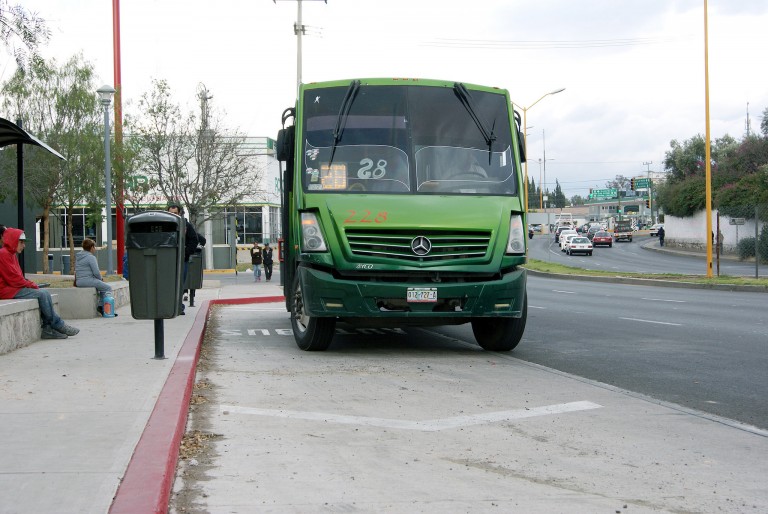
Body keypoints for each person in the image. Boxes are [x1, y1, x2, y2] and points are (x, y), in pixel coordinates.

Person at [0, 228, 79, 339]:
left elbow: (18, 277)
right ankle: (58, 325)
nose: (24, 246)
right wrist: (32, 285)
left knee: (43, 293)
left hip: (12, 288)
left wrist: (30, 284)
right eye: (21, 242)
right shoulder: (3, 254)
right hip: (6, 290)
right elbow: (14, 279)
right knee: (42, 294)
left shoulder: (11, 254)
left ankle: (48, 328)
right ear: (13, 241)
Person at [167, 203, 203, 315]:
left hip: (182, 261)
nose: (173, 215)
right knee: (167, 284)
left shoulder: (186, 226)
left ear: (180, 213)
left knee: (179, 284)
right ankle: (167, 306)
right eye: (170, 213)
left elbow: (194, 240)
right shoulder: (164, 225)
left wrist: (185, 253)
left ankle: (179, 307)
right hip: (167, 260)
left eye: (175, 213)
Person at [75, 238, 115, 316]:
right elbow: (96, 272)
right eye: (94, 247)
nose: (95, 249)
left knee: (101, 287)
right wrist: (101, 279)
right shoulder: (91, 257)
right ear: (92, 247)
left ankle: (101, 306)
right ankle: (101, 307)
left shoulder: (79, 256)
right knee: (107, 288)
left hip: (79, 281)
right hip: (88, 280)